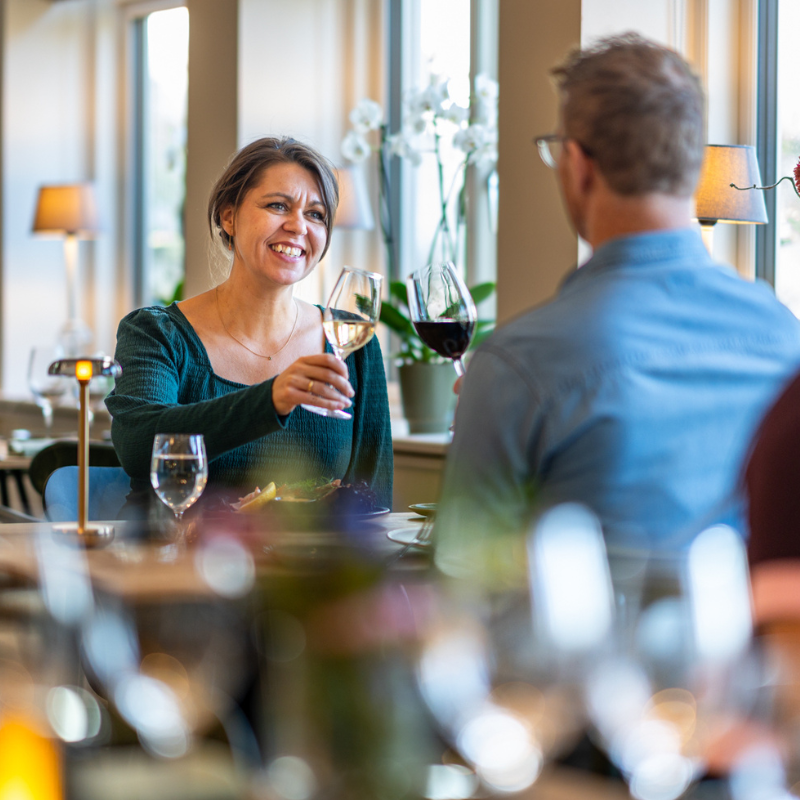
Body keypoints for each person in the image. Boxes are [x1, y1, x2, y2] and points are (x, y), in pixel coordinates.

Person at [434, 33, 800, 570]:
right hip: (752, 651)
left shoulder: (516, 364)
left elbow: (465, 580)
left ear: (578, 166)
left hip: (577, 654)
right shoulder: (784, 335)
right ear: (690, 164)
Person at [106, 137, 393, 511]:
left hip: (303, 567)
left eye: (316, 215)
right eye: (278, 205)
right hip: (175, 561)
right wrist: (272, 398)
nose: (298, 226)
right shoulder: (157, 333)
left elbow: (373, 495)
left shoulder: (352, 345)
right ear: (229, 217)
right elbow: (139, 442)